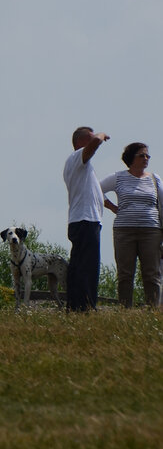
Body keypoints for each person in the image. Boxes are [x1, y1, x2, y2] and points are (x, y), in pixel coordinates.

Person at [100, 142, 162, 308]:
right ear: (131, 158)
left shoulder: (155, 179)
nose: (146, 158)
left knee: (152, 273)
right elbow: (97, 189)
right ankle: (125, 309)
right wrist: (112, 207)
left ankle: (153, 310)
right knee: (125, 274)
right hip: (124, 231)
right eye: (141, 155)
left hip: (151, 231)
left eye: (147, 155)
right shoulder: (118, 177)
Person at [63, 126, 110, 312]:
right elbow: (96, 143)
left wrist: (113, 208)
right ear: (80, 142)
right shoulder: (78, 158)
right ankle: (85, 306)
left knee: (78, 265)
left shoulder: (81, 166)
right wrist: (101, 135)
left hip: (82, 220)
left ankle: (76, 305)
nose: (93, 140)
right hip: (85, 220)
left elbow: (95, 193)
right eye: (88, 138)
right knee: (87, 266)